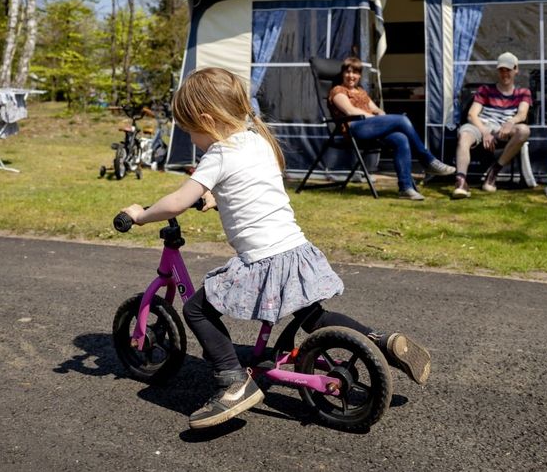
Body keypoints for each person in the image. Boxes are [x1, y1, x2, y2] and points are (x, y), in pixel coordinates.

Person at [121, 67, 432, 430]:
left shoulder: (217, 155)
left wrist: (141, 215)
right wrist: (216, 198)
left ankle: (233, 381)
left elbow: (175, 202)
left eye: (190, 129)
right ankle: (380, 339)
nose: (192, 137)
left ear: (207, 120)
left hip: (264, 262)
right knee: (313, 316)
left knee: (196, 310)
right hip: (297, 252)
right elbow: (250, 192)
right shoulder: (256, 140)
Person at [328, 56, 455, 200]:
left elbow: (376, 109)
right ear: (343, 73)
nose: (352, 76)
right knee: (402, 119)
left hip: (371, 129)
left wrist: (382, 116)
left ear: (359, 75)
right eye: (348, 72)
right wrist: (378, 119)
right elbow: (351, 111)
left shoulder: (361, 91)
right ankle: (427, 160)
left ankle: (405, 188)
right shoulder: (338, 91)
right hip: (355, 129)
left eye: (355, 73)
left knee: (401, 138)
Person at [452, 52, 532, 199]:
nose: (505, 74)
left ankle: (493, 172)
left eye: (508, 70)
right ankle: (461, 182)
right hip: (481, 125)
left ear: (516, 70)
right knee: (464, 135)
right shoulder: (485, 90)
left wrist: (510, 122)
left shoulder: (523, 92)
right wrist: (484, 131)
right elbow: (472, 115)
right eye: (501, 70)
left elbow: (522, 114)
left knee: (524, 130)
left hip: (503, 128)